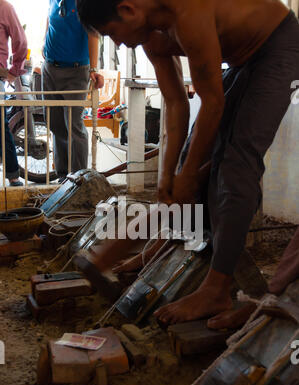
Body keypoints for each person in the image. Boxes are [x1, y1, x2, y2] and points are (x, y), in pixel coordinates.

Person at [75, 0, 299, 329]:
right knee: (186, 162)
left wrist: (188, 175)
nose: (119, 43)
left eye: (113, 34)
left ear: (128, 10)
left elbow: (212, 103)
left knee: (235, 166)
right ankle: (167, 244)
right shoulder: (150, 35)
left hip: (277, 45)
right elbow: (176, 102)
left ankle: (216, 288)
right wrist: (169, 175)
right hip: (240, 60)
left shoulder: (189, 14)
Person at [42, 0, 104, 182]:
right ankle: (63, 175)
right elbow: (49, 18)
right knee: (54, 122)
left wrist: (93, 69)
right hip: (50, 68)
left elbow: (93, 34)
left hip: (76, 71)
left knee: (73, 124)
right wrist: (44, 42)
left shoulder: (84, 3)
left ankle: (79, 178)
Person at [0, 0, 28, 187]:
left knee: (0, 125)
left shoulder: (4, 7)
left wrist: (14, 70)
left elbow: (21, 41)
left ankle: (13, 175)